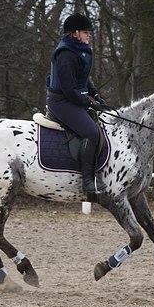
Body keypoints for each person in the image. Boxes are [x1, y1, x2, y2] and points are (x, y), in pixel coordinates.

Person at [46, 12, 107, 198]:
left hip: (73, 97)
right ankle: (88, 181)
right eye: (86, 32)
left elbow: (83, 78)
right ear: (75, 33)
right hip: (61, 101)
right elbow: (69, 89)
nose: (89, 35)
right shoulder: (65, 53)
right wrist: (88, 102)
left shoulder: (80, 50)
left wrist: (95, 94)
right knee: (91, 132)